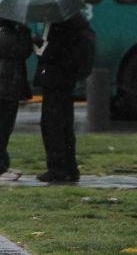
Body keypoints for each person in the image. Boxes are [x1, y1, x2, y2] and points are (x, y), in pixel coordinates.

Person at [33, 13, 92, 183]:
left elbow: (48, 53)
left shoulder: (58, 25)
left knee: (52, 125)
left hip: (54, 80)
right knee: (65, 125)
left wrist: (36, 43)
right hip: (66, 80)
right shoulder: (75, 24)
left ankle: (56, 168)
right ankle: (70, 167)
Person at [0, 17, 34, 182]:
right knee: (1, 129)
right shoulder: (4, 33)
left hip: (7, 87)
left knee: (4, 128)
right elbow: (22, 51)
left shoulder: (4, 33)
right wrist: (26, 34)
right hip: (5, 87)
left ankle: (2, 166)